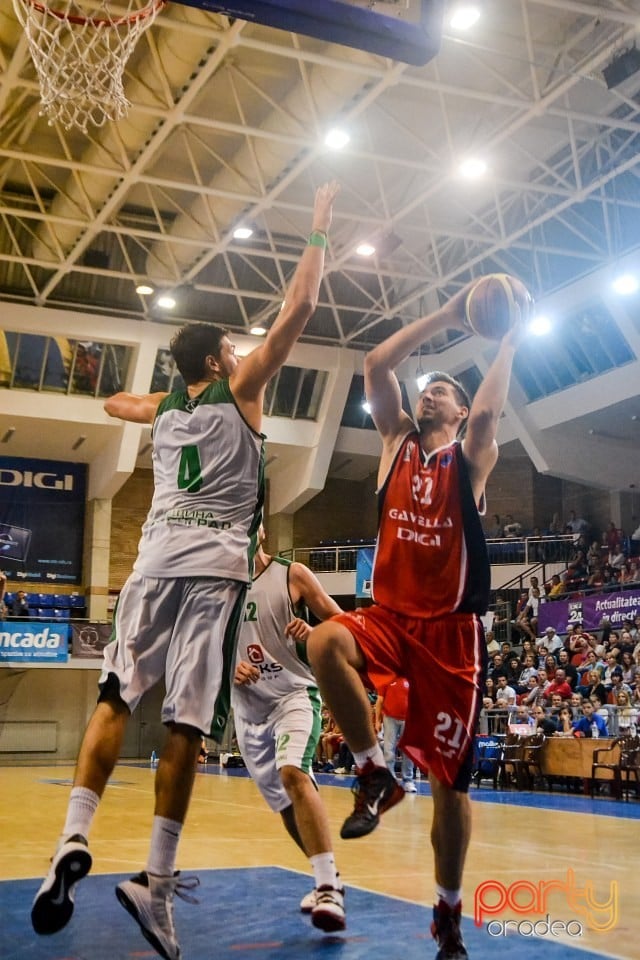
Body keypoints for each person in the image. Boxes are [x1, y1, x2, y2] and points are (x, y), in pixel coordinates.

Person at [30, 182, 340, 960]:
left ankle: (74, 835)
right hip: (211, 578)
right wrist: (319, 230)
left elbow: (115, 405)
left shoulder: (167, 408)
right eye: (233, 350)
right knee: (186, 726)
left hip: (151, 563)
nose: (244, 355)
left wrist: (160, 393)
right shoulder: (239, 388)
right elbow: (298, 312)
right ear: (217, 359)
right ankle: (155, 880)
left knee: (113, 696)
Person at [307, 276, 529, 960]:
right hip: (389, 614)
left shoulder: (470, 456)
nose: (430, 389)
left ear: (459, 413)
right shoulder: (395, 442)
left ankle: (448, 910)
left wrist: (512, 330)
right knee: (323, 644)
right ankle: (374, 772)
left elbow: (491, 418)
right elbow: (376, 365)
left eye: (444, 389)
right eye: (426, 385)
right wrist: (451, 312)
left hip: (451, 634)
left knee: (449, 788)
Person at [231, 528, 345, 932]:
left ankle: (329, 887)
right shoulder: (216, 585)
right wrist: (229, 666)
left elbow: (346, 626)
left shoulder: (291, 574)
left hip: (294, 696)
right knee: (284, 807)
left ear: (261, 528)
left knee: (293, 772)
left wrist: (315, 635)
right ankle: (326, 878)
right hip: (248, 710)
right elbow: (198, 644)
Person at [375, 678, 417, 793]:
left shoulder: (411, 677)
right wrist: (377, 721)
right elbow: (379, 701)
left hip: (408, 719)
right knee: (388, 750)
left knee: (408, 751)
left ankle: (408, 780)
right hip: (390, 718)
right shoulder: (386, 679)